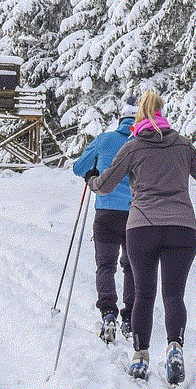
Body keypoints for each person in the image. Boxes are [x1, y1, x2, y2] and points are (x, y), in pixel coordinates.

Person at [87, 89, 196, 385]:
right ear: (162, 113)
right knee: (174, 295)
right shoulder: (184, 145)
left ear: (139, 117)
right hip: (182, 228)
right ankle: (174, 347)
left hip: (142, 228)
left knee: (145, 294)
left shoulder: (133, 147)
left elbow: (106, 184)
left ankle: (140, 356)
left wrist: (92, 182)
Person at [71, 98, 138, 343]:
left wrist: (93, 173)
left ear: (120, 119)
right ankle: (130, 317)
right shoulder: (142, 142)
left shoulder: (105, 139)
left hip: (106, 212)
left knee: (105, 266)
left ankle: (108, 313)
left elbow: (79, 168)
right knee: (131, 267)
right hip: (135, 214)